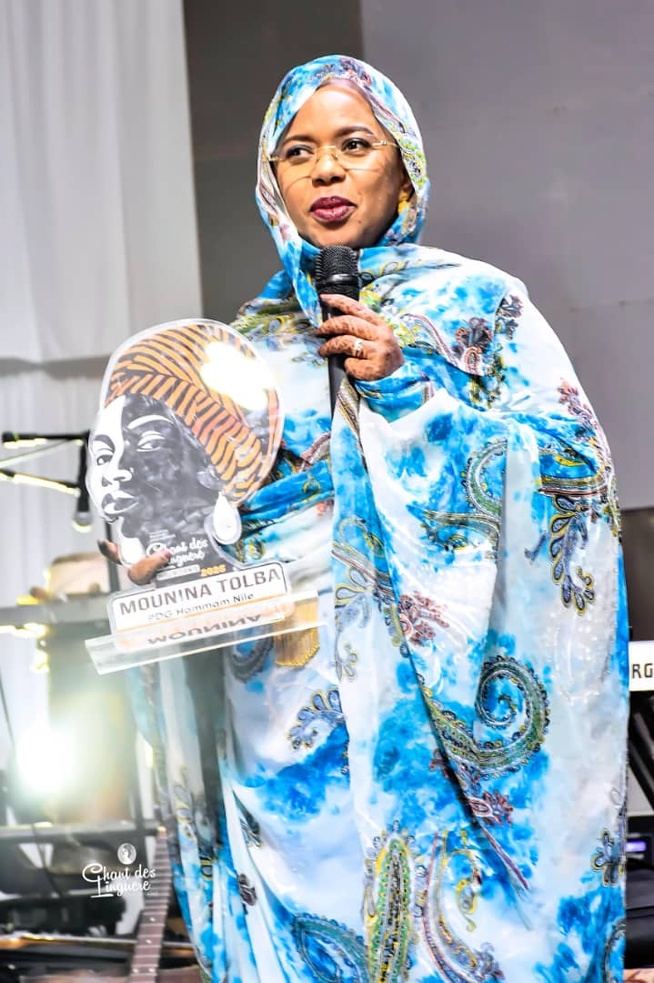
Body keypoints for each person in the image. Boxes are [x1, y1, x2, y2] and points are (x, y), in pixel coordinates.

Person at [113, 55, 628, 981]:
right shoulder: (240, 350)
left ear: (403, 167)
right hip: (286, 726)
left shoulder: (481, 306)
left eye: (355, 145)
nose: (326, 172)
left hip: (442, 715)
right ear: (272, 183)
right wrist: (166, 551)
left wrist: (409, 392)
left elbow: (574, 479)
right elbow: (220, 528)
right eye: (298, 153)